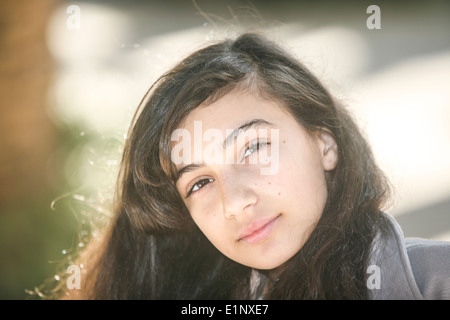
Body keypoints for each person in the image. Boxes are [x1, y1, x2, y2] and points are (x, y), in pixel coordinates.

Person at [56, 32, 450, 299]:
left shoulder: (435, 278)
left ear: (324, 143)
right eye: (199, 183)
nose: (234, 202)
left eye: (254, 148)